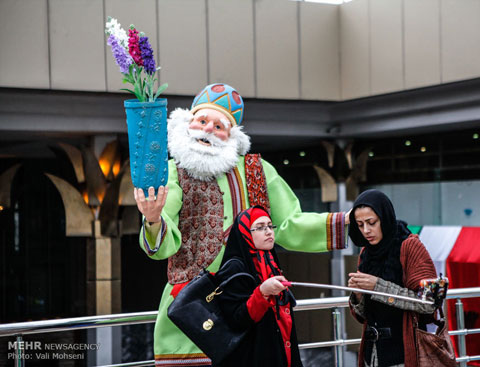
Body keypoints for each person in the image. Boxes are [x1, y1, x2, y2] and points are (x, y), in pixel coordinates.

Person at [133, 83, 348, 366]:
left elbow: (289, 225)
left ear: (231, 135)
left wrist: (350, 223)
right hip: (191, 312)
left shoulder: (257, 171)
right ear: (188, 124)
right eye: (201, 121)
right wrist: (152, 218)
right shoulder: (173, 172)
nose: (208, 129)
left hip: (250, 308)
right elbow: (162, 243)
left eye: (219, 125)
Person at [347, 189, 437, 367]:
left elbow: (431, 301)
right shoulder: (366, 253)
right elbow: (365, 315)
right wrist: (358, 296)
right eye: (359, 224)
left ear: (385, 218)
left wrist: (378, 287)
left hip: (405, 354)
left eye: (371, 222)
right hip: (371, 354)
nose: (366, 230)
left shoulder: (410, 246)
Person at [215, 206, 301, 367]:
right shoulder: (234, 268)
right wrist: (262, 292)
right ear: (246, 233)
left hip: (281, 349)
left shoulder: (270, 260)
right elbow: (236, 319)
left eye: (270, 226)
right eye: (260, 228)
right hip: (252, 356)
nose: (269, 231)